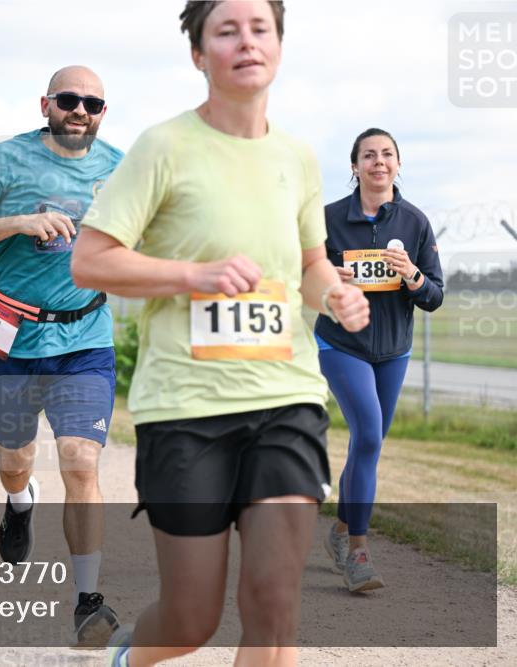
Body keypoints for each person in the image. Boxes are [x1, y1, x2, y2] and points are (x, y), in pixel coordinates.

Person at [70, 3, 371, 665]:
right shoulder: (164, 146)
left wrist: (335, 293)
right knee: (190, 619)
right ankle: (127, 657)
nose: (246, 42)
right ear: (199, 54)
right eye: (227, 31)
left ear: (279, 45)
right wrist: (194, 274)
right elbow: (89, 261)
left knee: (274, 604)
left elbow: (311, 264)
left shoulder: (298, 157)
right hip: (186, 407)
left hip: (286, 396)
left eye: (260, 28)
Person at [0, 65, 124, 648]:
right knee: (15, 459)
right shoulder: (6, 160)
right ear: (46, 104)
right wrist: (20, 222)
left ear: (103, 112)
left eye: (93, 104)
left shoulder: (120, 168)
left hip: (85, 338)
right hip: (14, 339)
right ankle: (19, 501)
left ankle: (87, 601)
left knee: (80, 462)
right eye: (69, 100)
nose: (80, 111)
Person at [317, 128, 444, 592]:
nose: (378, 162)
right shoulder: (328, 219)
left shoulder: (415, 222)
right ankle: (359, 553)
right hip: (341, 343)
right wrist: (326, 277)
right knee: (368, 433)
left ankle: (340, 528)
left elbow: (435, 295)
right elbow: (298, 276)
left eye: (387, 154)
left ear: (398, 164)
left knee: (367, 444)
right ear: (354, 166)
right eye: (368, 155)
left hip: (394, 350)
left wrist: (412, 275)